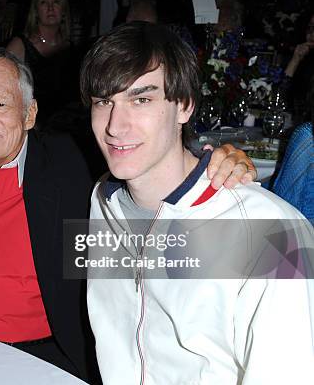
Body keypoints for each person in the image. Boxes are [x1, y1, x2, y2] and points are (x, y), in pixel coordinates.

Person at [0, 48, 257, 381]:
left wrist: (219, 157)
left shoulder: (70, 166)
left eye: (0, 104)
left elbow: (144, 154)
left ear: (29, 114)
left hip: (31, 364)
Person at [82, 22, 314, 384]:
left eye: (141, 100)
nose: (115, 125)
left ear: (185, 106)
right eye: (104, 101)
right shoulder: (103, 202)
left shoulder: (273, 231)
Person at [6, 0, 79, 127]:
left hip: (67, 125)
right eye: (44, 2)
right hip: (33, 126)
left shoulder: (72, 47)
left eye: (56, 2)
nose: (50, 8)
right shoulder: (20, 45)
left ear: (64, 10)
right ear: (36, 11)